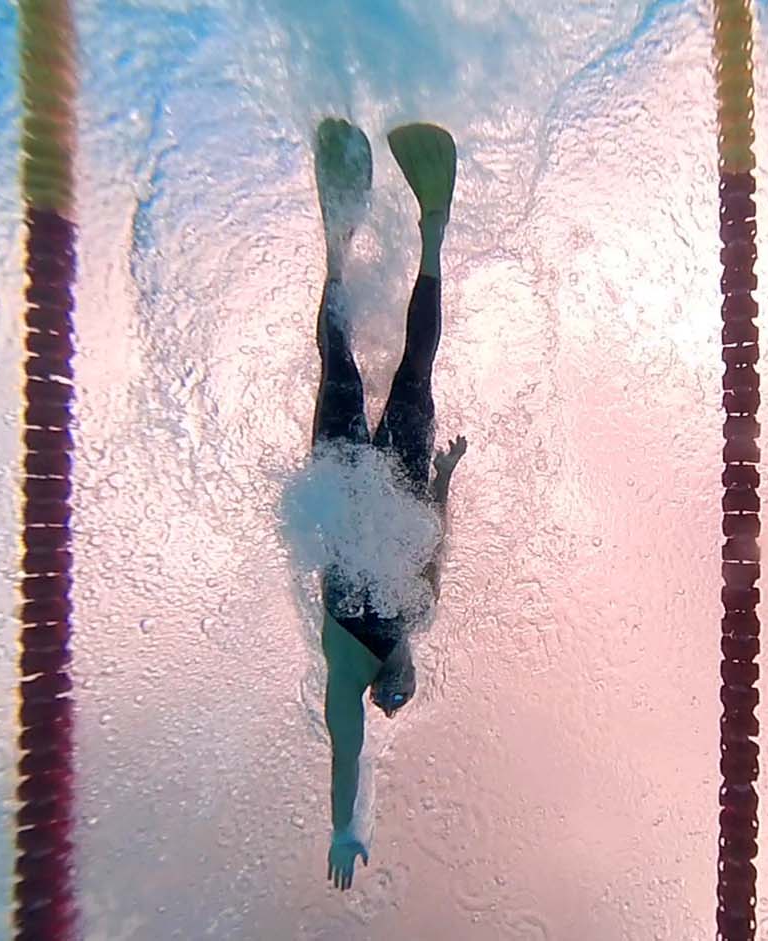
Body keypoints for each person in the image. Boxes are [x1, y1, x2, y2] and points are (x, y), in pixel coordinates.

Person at [311, 117, 467, 889]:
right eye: (413, 683)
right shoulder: (418, 613)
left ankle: (336, 242)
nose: (401, 680)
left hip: (341, 481)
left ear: (381, 686)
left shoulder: (348, 664)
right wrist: (445, 479)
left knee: (336, 359)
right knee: (416, 369)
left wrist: (345, 825)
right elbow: (435, 542)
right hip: (402, 480)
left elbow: (348, 748)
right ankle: (432, 227)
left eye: (393, 691)